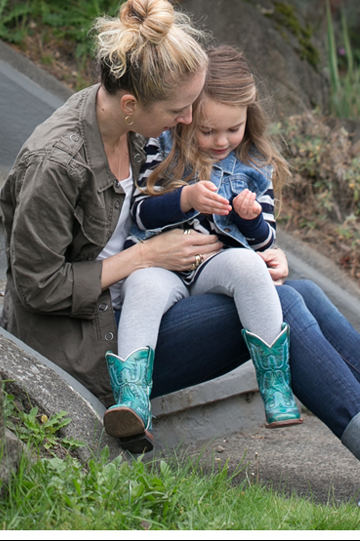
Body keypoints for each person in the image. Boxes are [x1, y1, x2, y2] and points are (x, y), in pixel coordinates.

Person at [0, 0, 360, 521]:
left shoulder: (132, 123)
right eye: (179, 110)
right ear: (131, 103)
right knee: (286, 305)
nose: (187, 122)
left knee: (297, 290)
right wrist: (147, 257)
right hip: (85, 345)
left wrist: (256, 249)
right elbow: (38, 288)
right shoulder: (57, 162)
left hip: (136, 307)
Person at [107, 46, 301, 446]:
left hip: (217, 265)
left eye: (233, 129)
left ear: (249, 117)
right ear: (187, 115)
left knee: (249, 267)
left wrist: (249, 218)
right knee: (140, 286)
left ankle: (275, 384)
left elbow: (266, 242)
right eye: (207, 130)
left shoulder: (254, 165)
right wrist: (185, 199)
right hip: (164, 264)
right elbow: (140, 213)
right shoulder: (164, 147)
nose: (221, 141)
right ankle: (132, 399)